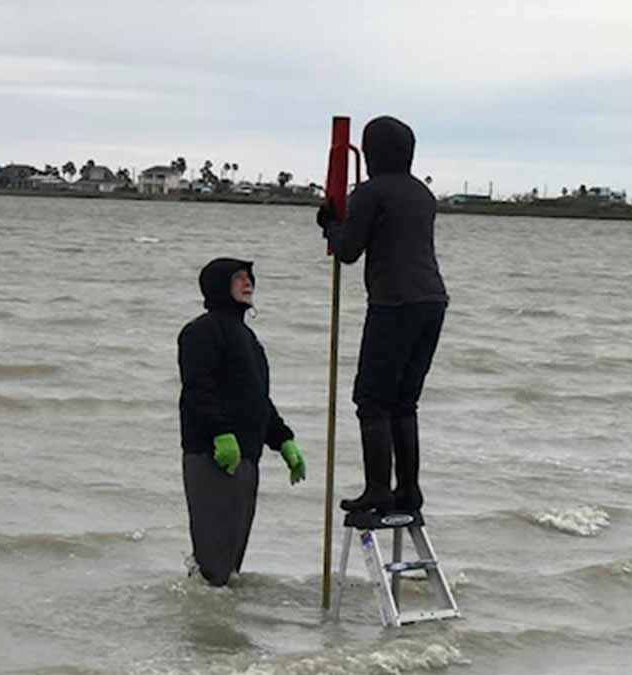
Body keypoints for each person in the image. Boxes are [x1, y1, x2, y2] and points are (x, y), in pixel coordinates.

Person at [317, 115, 448, 514]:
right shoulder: (422, 193)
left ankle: (378, 489)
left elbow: (349, 251)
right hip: (432, 301)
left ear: (371, 153)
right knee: (404, 402)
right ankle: (408, 489)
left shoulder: (371, 192)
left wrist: (329, 225)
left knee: (372, 400)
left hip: (394, 303)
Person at [178, 257, 306, 586]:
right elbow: (197, 390)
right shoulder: (200, 331)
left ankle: (223, 628)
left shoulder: (249, 339)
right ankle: (202, 627)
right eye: (238, 278)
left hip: (247, 456)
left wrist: (283, 440)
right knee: (214, 562)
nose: (248, 283)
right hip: (212, 455)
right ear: (219, 285)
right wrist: (220, 434)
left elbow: (257, 399)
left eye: (249, 277)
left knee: (232, 561)